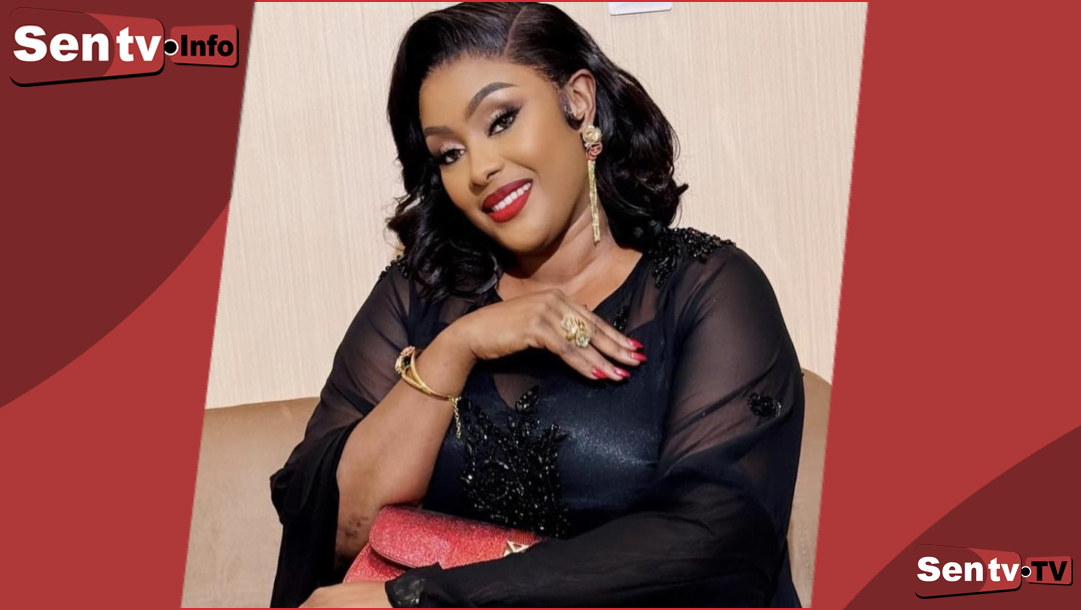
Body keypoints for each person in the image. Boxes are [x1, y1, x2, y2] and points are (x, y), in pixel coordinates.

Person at [269, 3, 804, 607]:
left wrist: (427, 598)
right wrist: (457, 347)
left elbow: (716, 543)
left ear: (579, 101)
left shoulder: (707, 290)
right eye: (449, 153)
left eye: (501, 120)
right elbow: (336, 531)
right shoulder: (418, 294)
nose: (480, 169)